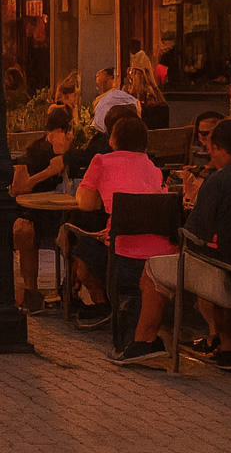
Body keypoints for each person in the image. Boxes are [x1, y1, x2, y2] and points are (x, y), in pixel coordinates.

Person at [116, 118, 231, 368]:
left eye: (211, 148)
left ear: (221, 149)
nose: (208, 155)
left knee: (155, 269)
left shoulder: (220, 182)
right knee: (219, 263)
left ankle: (144, 342)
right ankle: (230, 349)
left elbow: (193, 238)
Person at [69, 115, 176, 329]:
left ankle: (102, 304)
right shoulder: (153, 168)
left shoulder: (101, 161)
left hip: (122, 260)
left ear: (112, 141)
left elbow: (86, 203)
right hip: (161, 260)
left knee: (81, 247)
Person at [8, 105, 74, 313]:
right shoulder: (36, 151)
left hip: (69, 213)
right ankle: (30, 292)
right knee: (23, 229)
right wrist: (48, 172)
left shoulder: (77, 152)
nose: (64, 139)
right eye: (60, 134)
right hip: (37, 213)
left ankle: (69, 291)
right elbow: (18, 189)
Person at [92, 67, 139, 131]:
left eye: (104, 83)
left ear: (111, 80)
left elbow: (98, 127)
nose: (100, 88)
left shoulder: (104, 102)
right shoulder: (131, 100)